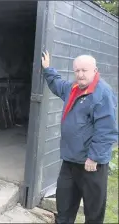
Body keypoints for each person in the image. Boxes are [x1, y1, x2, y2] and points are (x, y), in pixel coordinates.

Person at [41, 51, 118, 224]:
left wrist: (94, 157)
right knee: (65, 205)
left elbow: (106, 130)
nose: (80, 74)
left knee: (93, 210)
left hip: (91, 164)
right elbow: (58, 84)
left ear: (95, 70)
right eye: (77, 71)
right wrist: (47, 69)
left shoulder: (102, 94)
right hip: (70, 160)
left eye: (84, 70)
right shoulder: (73, 88)